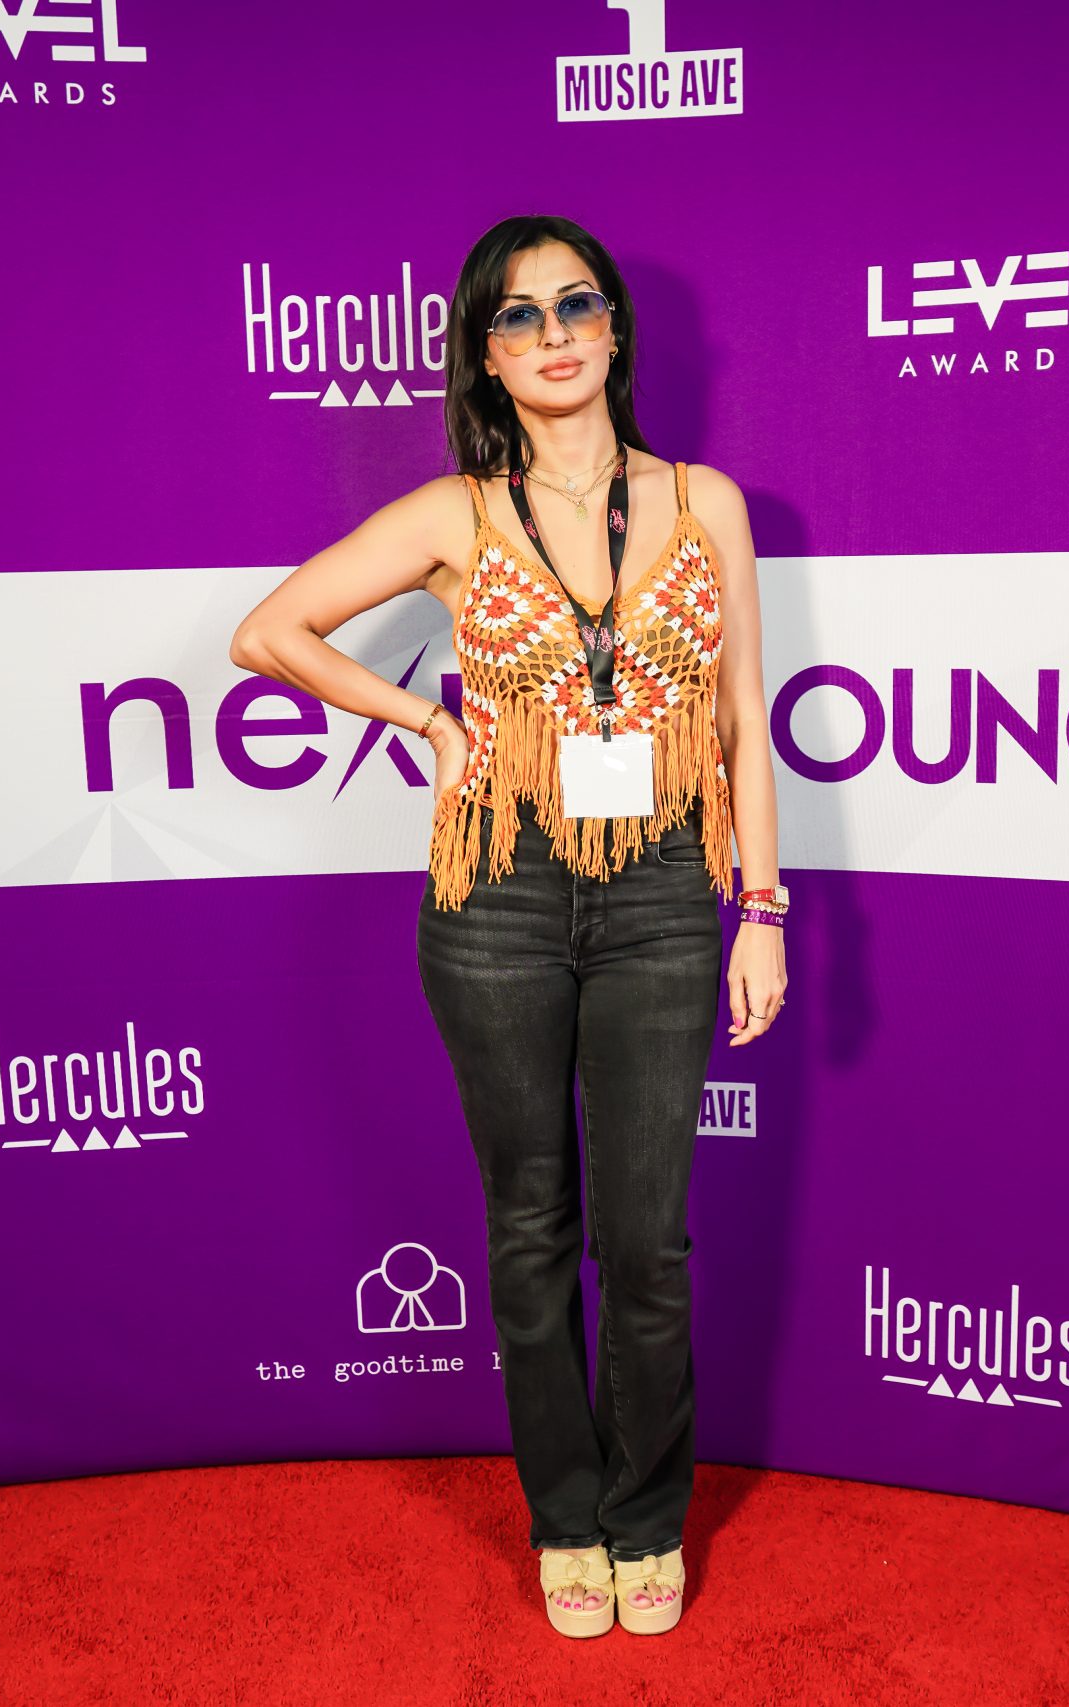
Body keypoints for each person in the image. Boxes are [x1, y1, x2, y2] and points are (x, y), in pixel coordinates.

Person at [229, 214, 787, 1639]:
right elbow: (268, 633)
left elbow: (741, 718)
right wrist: (425, 722)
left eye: (575, 306)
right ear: (485, 355)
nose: (552, 336)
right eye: (518, 316)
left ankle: (647, 1518)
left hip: (667, 890)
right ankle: (567, 1520)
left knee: (648, 1241)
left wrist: (761, 908)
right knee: (531, 1225)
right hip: (499, 899)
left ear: (615, 329)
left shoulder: (704, 503)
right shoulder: (453, 514)